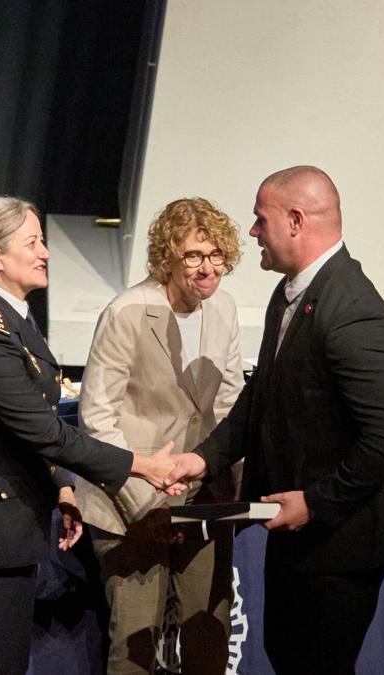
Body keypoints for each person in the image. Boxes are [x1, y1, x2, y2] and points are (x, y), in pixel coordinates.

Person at [0, 196, 176, 674]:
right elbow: (43, 429)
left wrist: (62, 486)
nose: (45, 251)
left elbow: (31, 424)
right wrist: (140, 465)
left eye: (42, 240)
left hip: (4, 528)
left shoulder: (13, 317)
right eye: (32, 242)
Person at [166, 166, 384, 675]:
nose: (254, 232)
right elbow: (263, 394)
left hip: (341, 541)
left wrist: (316, 503)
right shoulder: (293, 294)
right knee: (287, 655)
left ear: (296, 221)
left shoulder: (352, 310)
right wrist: (203, 459)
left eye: (261, 220)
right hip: (298, 529)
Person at [78, 197, 244, 674]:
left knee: (207, 636)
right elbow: (97, 418)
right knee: (136, 651)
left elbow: (229, 403)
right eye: (193, 256)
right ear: (167, 259)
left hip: (202, 499)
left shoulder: (224, 309)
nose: (207, 268)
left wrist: (232, 485)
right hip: (130, 504)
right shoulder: (127, 312)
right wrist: (143, 500)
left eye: (215, 256)